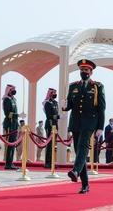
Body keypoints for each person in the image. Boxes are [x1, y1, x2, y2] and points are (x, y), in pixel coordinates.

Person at [62, 59, 105, 194]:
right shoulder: (73, 86)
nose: (83, 72)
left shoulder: (97, 86)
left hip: (89, 124)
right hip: (75, 123)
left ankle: (75, 171)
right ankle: (85, 185)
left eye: (86, 70)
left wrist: (100, 127)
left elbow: (101, 108)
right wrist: (64, 105)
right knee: (79, 152)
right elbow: (70, 106)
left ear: (91, 72)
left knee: (82, 148)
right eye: (81, 70)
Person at [3, 84, 25, 170]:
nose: (14, 91)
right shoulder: (6, 100)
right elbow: (8, 114)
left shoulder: (13, 100)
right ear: (8, 90)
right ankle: (8, 163)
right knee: (10, 144)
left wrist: (19, 116)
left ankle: (10, 163)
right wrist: (18, 115)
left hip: (14, 124)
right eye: (12, 89)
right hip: (9, 124)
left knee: (12, 145)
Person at [44, 88, 60, 168]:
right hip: (50, 125)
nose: (55, 94)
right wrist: (58, 116)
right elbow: (49, 116)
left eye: (55, 93)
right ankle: (47, 163)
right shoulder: (48, 103)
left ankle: (51, 162)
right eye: (53, 93)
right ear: (50, 94)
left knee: (53, 145)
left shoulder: (55, 103)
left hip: (55, 125)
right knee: (49, 144)